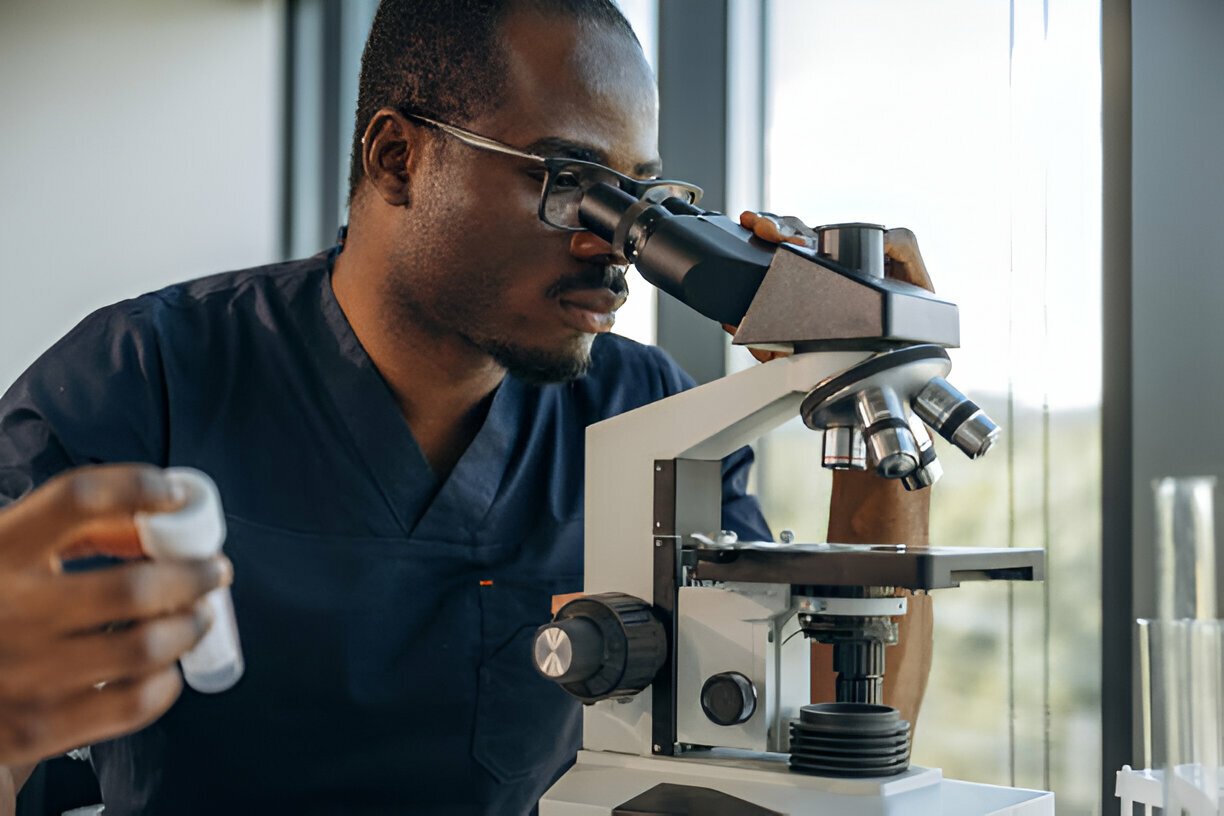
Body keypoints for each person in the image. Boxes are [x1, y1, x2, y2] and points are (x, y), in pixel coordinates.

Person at [0, 1, 933, 813]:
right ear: (398, 157)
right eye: (570, 182)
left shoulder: (644, 412)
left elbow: (834, 730)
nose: (615, 246)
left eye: (643, 197)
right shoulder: (142, 379)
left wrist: (866, 383)